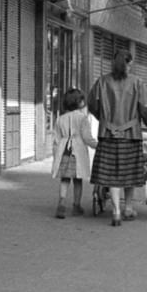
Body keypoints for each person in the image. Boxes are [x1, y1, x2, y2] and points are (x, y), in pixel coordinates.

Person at [87, 48, 147, 226]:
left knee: (112, 176)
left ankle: (116, 211)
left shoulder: (102, 82)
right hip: (131, 136)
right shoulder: (137, 82)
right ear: (127, 63)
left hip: (107, 136)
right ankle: (128, 207)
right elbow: (146, 109)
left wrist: (104, 119)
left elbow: (92, 104)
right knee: (128, 174)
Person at [50, 88, 97, 219]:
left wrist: (55, 155)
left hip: (64, 152)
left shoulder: (60, 119)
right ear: (79, 102)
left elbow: (56, 139)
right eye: (82, 99)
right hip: (77, 152)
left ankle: (61, 202)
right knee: (77, 180)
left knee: (64, 179)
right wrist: (97, 146)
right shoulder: (83, 118)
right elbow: (87, 138)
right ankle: (76, 205)